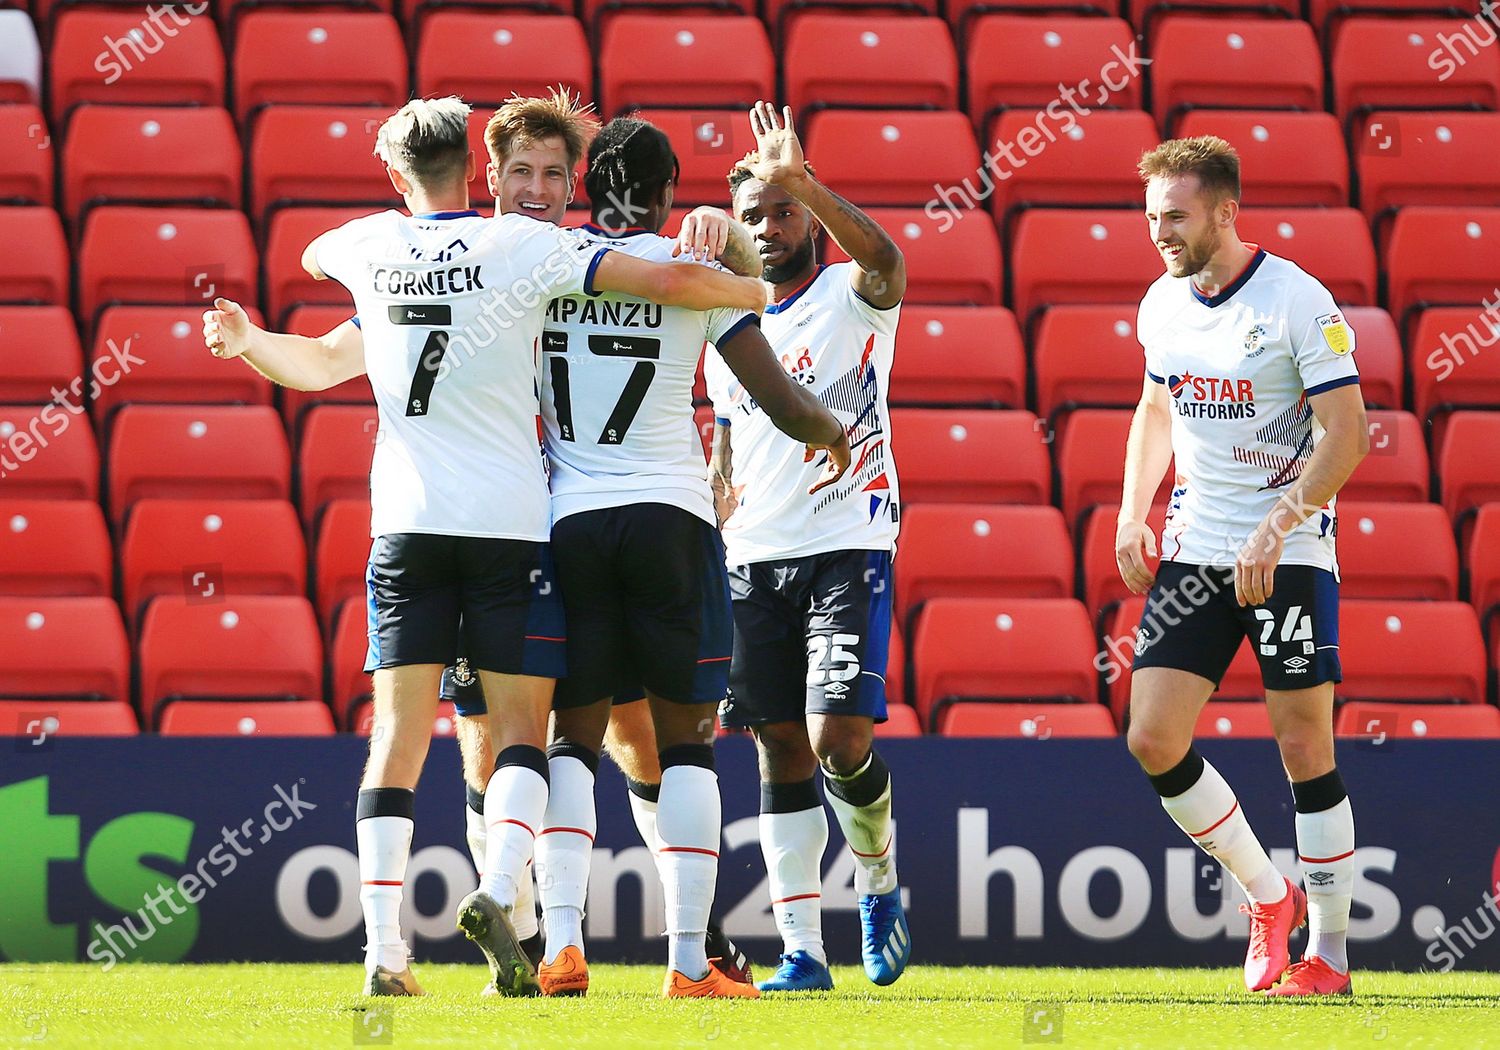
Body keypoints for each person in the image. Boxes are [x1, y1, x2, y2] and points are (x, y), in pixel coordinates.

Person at [201, 95, 766, 997]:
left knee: (506, 736)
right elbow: (671, 285)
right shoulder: (537, 253)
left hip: (457, 526)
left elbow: (318, 337)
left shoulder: (393, 247)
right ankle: (538, 924)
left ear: (574, 184)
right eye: (521, 175)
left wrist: (249, 340)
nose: (538, 190)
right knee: (513, 741)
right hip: (523, 528)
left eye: (554, 175)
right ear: (484, 178)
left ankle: (424, 948)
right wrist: (747, 274)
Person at [446, 113, 852, 999]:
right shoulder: (688, 276)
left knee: (570, 742)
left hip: (568, 524)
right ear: (671, 193)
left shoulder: (547, 269)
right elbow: (779, 400)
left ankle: (560, 950)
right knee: (688, 744)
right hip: (669, 525)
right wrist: (831, 434)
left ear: (586, 189)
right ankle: (685, 964)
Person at [1116, 135, 1368, 997]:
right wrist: (1130, 511)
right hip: (1196, 545)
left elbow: (1349, 434)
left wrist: (1281, 522)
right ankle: (1270, 896)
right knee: (1152, 736)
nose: (1161, 233)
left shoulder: (1299, 300)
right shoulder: (1161, 303)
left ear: (1227, 211)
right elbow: (1155, 410)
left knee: (1303, 744)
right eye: (1152, 218)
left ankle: (1329, 954)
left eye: (1176, 216)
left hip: (1289, 548)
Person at [706, 102, 910, 993]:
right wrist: (716, 482)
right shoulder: (726, 328)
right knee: (778, 747)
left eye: (779, 211)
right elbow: (729, 428)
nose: (768, 227)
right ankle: (802, 952)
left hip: (848, 544)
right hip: (753, 557)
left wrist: (804, 182)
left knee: (838, 739)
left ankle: (877, 882)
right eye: (754, 216)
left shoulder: (850, 297)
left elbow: (888, 261)